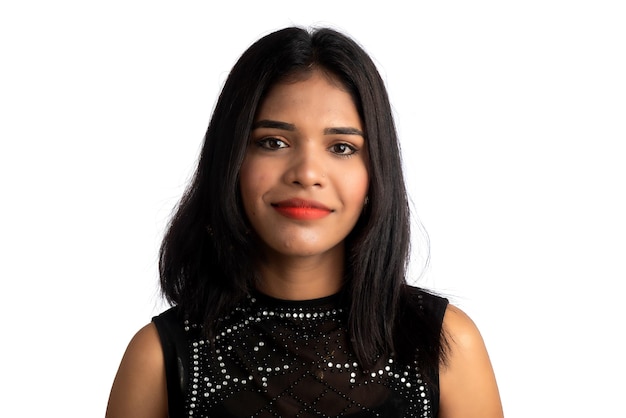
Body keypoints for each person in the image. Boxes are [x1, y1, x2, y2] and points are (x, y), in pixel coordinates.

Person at [105, 26, 503, 418]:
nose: (307, 173)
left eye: (342, 147)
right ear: (231, 163)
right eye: (273, 142)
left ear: (376, 173)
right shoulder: (159, 360)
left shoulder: (444, 346)